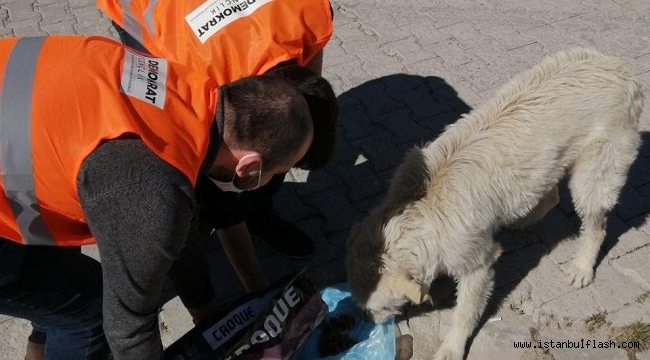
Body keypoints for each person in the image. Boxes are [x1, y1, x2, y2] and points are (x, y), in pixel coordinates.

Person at [0, 35, 313, 360]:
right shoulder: (151, 188)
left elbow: (172, 235)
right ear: (249, 167)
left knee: (59, 283)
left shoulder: (183, 89)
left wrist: (206, 313)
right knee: (89, 313)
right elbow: (129, 332)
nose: (271, 182)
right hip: (11, 183)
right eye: (276, 173)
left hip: (18, 126)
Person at [96, 0, 338, 260]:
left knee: (276, 143)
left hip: (204, 32)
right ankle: (198, 213)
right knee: (194, 155)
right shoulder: (194, 76)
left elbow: (308, 86)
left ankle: (257, 213)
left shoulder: (307, 12)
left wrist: (298, 132)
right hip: (149, 14)